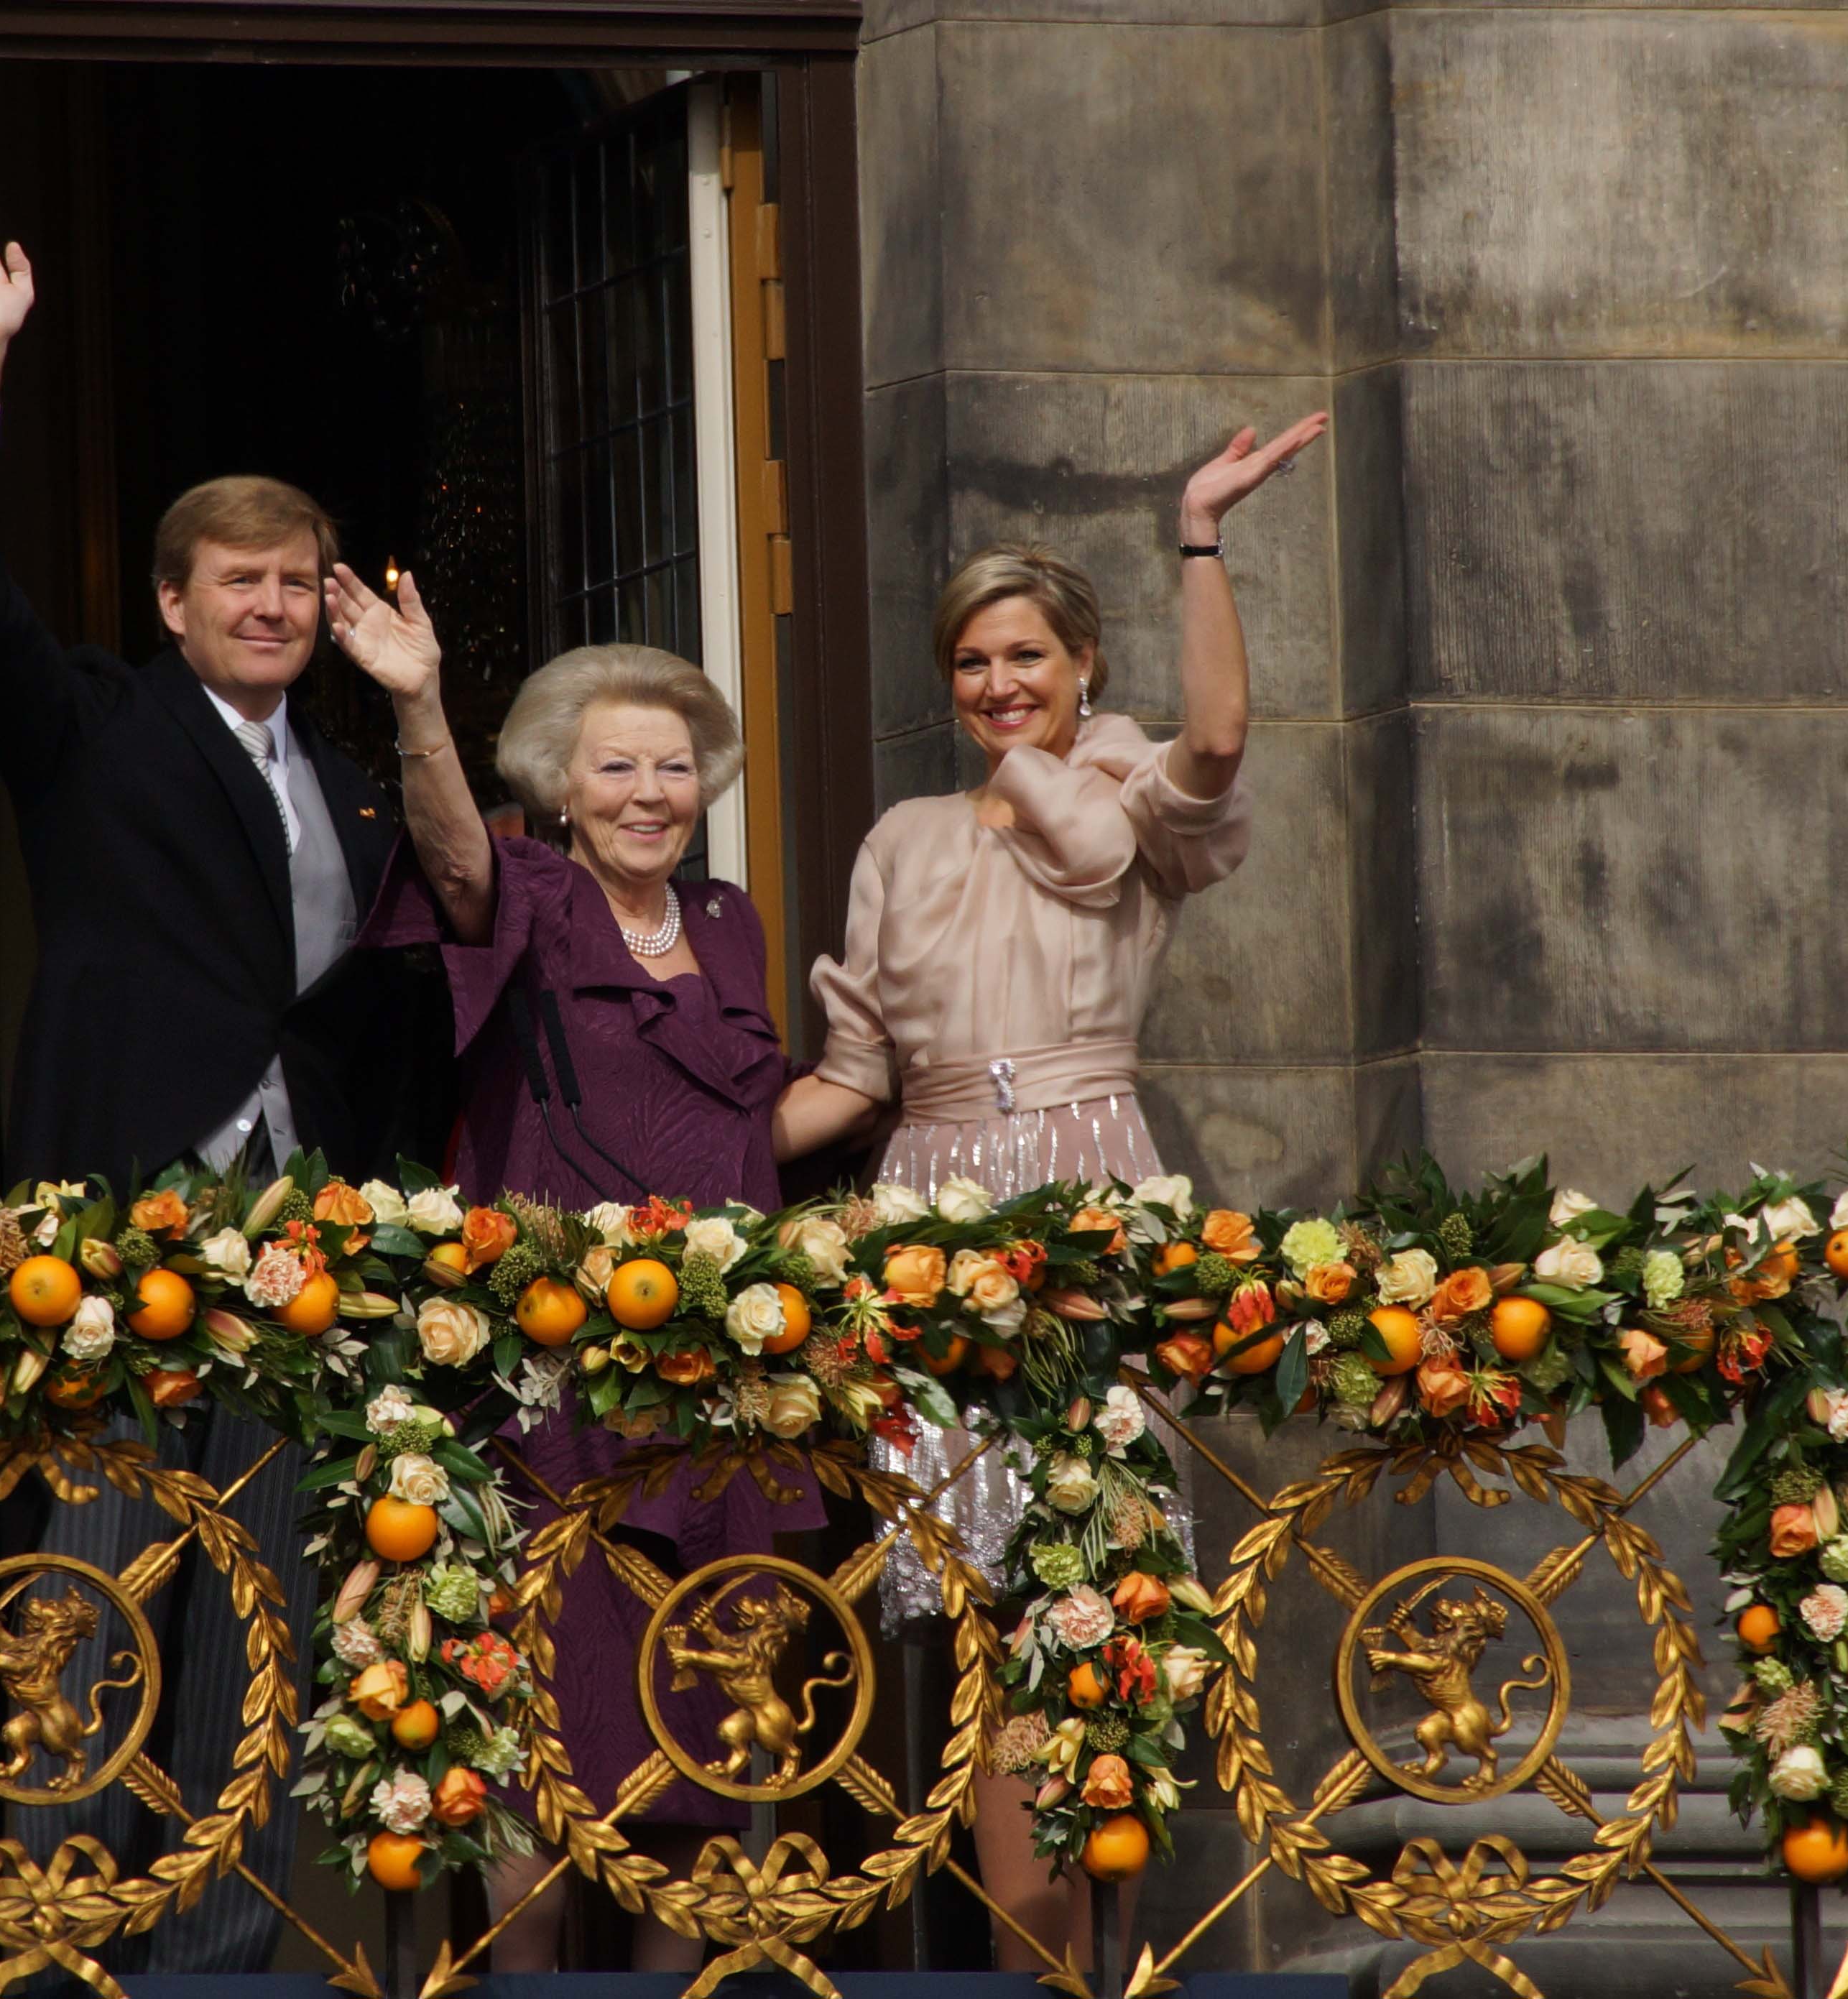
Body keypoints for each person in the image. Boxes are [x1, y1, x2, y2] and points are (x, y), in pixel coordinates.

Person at [0, 170, 438, 1972]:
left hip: (303, 1223)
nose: (275, 606)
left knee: (268, 1595)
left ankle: (221, 1945)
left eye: (299, 581)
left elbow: (420, 947)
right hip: (121, 1202)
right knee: (100, 1569)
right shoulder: (92, 725)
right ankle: (62, 1915)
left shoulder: (353, 778)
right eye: (242, 582)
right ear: (172, 596)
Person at [771, 413, 1328, 1965]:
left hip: (1087, 1192)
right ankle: (1029, 1959)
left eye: (1026, 655)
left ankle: (1107, 1961)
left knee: (1095, 1591)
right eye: (971, 663)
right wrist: (671, 1162)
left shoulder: (1131, 797)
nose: (1000, 684)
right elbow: (854, 1076)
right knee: (966, 1609)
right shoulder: (904, 835)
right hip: (928, 1208)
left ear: (1081, 661)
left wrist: (1198, 532)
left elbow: (1218, 744)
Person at [328, 569, 816, 1971]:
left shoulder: (727, 921)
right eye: (617, 765)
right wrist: (419, 700)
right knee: (544, 1720)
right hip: (553, 1386)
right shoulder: (526, 890)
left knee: (706, 1725)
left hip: (713, 1385)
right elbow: (452, 859)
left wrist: (884, 1065)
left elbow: (739, 1118)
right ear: (560, 779)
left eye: (674, 764)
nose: (650, 791)